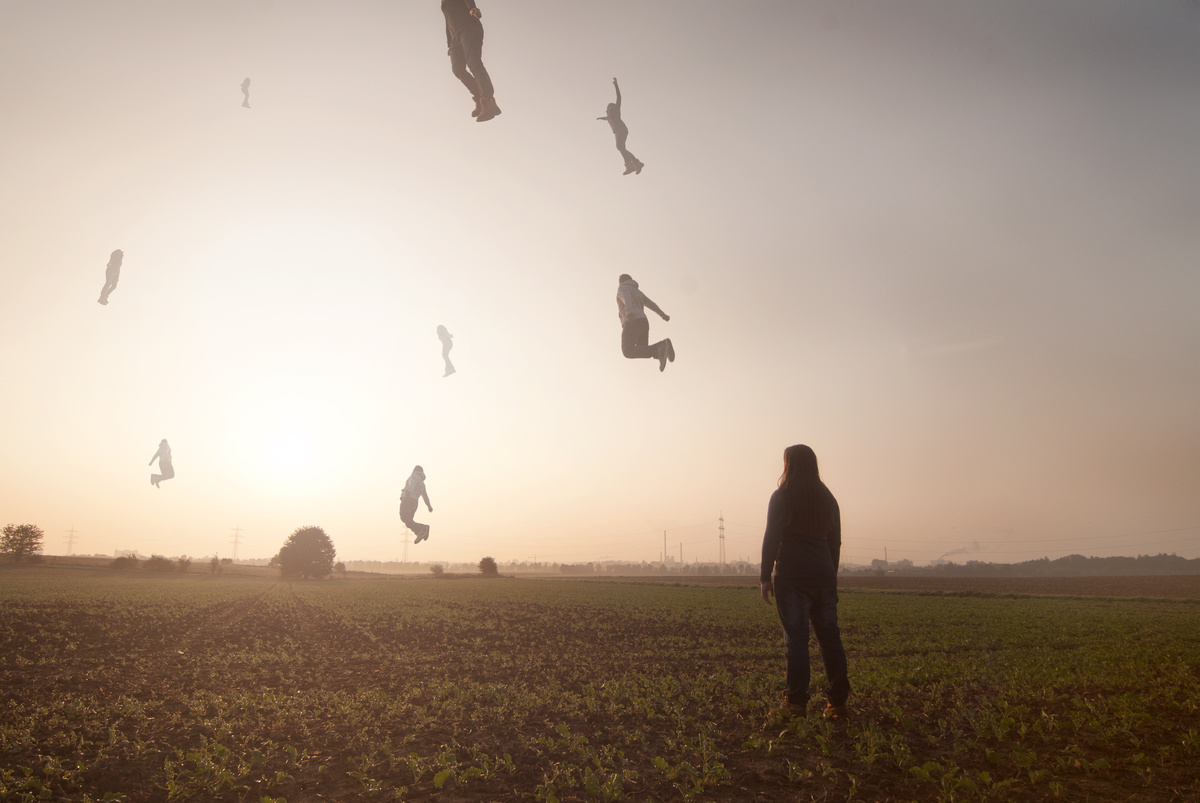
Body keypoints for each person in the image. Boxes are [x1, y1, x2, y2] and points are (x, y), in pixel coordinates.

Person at [760, 444, 850, 720]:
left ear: (789, 465)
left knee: (796, 642)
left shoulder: (782, 497)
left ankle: (796, 704)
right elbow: (835, 542)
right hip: (823, 576)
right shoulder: (828, 498)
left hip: (792, 577)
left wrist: (765, 576)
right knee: (830, 640)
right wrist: (829, 573)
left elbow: (771, 538)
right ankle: (837, 704)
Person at [442, 0, 500, 122]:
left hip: (469, 27)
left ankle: (488, 101)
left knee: (473, 63)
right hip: (455, 38)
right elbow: (448, 21)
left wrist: (472, 7)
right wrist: (449, 43)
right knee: (457, 69)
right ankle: (479, 96)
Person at [616, 274, 674, 372]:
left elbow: (627, 299)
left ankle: (661, 346)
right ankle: (659, 350)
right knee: (642, 348)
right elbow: (651, 303)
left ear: (621, 280)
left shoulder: (622, 288)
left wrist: (629, 312)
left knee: (628, 351)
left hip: (632, 322)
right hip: (643, 323)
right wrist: (662, 314)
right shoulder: (638, 292)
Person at [597, 78, 643, 175]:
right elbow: (607, 118)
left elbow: (619, 97)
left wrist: (616, 85)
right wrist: (601, 118)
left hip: (621, 129)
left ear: (612, 106)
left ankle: (630, 165)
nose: (607, 108)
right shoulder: (609, 116)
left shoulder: (616, 109)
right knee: (622, 148)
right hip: (620, 131)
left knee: (619, 147)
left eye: (608, 106)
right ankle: (636, 163)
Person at [400, 465, 433, 542]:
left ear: (415, 470)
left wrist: (408, 491)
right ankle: (419, 532)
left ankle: (422, 528)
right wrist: (429, 506)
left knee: (404, 517)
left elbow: (412, 484)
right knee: (409, 521)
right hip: (415, 502)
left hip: (408, 498)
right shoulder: (422, 483)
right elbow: (425, 496)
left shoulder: (414, 476)